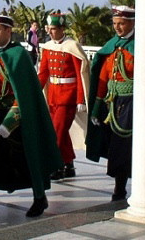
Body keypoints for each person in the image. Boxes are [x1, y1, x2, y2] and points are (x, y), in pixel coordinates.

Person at [0, 14, 63, 223]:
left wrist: (8, 124)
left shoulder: (19, 56)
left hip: (15, 122)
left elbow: (23, 96)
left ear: (9, 31)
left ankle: (40, 198)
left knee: (27, 160)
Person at [85, 5, 135, 202]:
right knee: (115, 146)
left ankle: (128, 185)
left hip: (131, 103)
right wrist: (96, 109)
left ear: (132, 23)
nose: (117, 27)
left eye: (121, 23)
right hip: (112, 104)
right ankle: (119, 186)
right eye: (115, 23)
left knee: (126, 145)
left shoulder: (139, 47)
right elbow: (103, 79)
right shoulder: (111, 46)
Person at [37, 13, 89, 180]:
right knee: (61, 132)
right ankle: (68, 164)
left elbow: (81, 74)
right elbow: (43, 73)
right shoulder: (47, 47)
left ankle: (56, 165)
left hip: (68, 96)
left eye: (53, 29)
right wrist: (34, 91)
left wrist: (80, 99)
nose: (50, 33)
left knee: (57, 132)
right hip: (53, 95)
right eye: (49, 29)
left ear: (62, 29)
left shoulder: (72, 46)